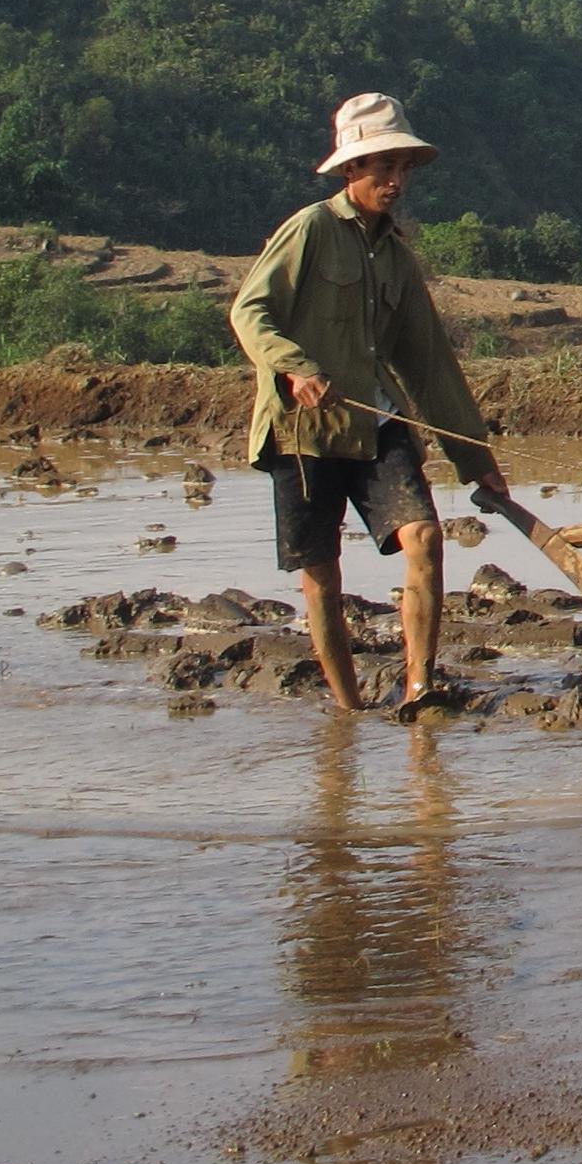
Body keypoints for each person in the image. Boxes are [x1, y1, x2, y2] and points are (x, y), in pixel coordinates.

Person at [230, 93, 509, 717]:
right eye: (382, 165)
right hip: (304, 432)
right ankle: (349, 710)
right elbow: (250, 312)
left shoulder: (397, 258)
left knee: (426, 537)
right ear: (350, 169)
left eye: (403, 167)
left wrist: (474, 457)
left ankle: (419, 686)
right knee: (322, 576)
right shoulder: (309, 231)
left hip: (376, 423)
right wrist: (295, 368)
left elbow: (429, 362)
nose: (395, 179)